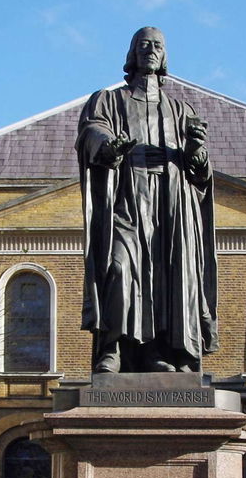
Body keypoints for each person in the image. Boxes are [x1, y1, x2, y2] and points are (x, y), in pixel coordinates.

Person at [76, 27, 217, 373]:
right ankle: (112, 349)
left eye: (157, 46)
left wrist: (197, 149)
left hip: (170, 206)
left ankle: (159, 352)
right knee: (119, 267)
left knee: (167, 278)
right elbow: (92, 131)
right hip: (126, 198)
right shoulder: (109, 100)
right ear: (132, 54)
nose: (150, 50)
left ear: (164, 55)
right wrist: (108, 145)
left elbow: (199, 175)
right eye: (143, 45)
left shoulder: (179, 110)